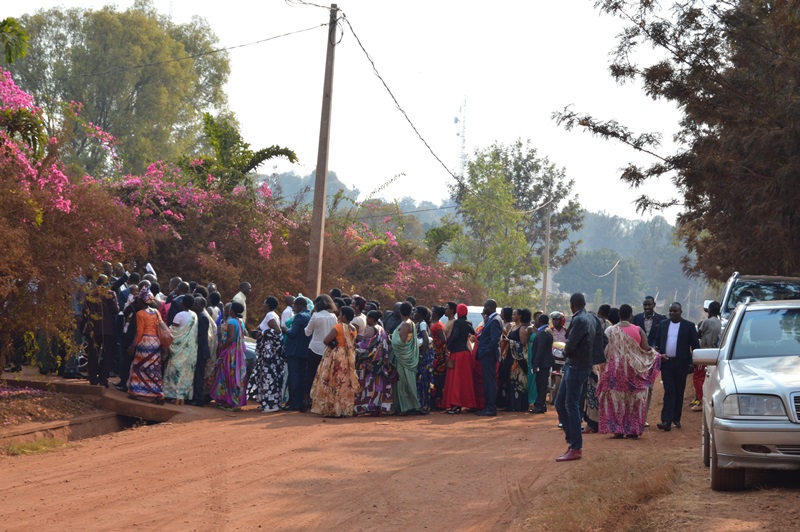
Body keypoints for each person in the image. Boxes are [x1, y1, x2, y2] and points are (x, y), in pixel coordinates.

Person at [597, 304, 661, 439]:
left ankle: (618, 430)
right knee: (634, 400)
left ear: (619, 315)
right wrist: (659, 356)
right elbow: (646, 349)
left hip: (614, 372)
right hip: (634, 371)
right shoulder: (638, 330)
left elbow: (603, 350)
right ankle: (633, 430)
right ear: (631, 316)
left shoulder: (610, 330)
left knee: (616, 399)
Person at [555, 293, 594, 462]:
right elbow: (602, 339)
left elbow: (571, 344)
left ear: (572, 305)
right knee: (560, 403)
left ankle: (576, 446)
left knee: (571, 405)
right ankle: (572, 442)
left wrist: (564, 352)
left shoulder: (579, 320)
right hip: (577, 364)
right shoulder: (590, 318)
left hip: (576, 365)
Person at [310, 306, 360, 417]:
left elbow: (326, 340)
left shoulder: (338, 327)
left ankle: (332, 408)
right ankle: (342, 409)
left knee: (332, 381)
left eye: (341, 314)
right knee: (344, 382)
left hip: (336, 356)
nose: (339, 316)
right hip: (347, 357)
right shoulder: (353, 329)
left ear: (345, 316)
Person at [656, 302, 699, 431]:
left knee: (679, 391)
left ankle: (676, 419)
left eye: (675, 311)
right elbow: (657, 341)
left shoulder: (689, 326)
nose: (672, 313)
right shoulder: (663, 325)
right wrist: (658, 352)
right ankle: (666, 421)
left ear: (681, 312)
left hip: (681, 364)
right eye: (671, 311)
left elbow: (695, 346)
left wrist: (693, 363)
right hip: (667, 363)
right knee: (669, 391)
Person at [126, 287, 165, 403]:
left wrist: (133, 346)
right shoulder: (156, 312)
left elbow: (139, 332)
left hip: (145, 342)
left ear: (141, 301)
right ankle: (157, 393)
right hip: (156, 342)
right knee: (153, 369)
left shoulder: (140, 314)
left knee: (138, 366)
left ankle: (136, 392)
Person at [81, 275, 120, 387]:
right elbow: (116, 310)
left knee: (93, 353)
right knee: (108, 354)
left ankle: (93, 378)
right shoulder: (111, 294)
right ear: (106, 283)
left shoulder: (90, 293)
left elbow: (85, 311)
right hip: (108, 329)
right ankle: (103, 378)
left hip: (93, 328)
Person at [248, 296, 285, 412]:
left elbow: (277, 331)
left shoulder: (270, 316)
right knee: (266, 377)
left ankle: (271, 405)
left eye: (264, 303)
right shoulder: (272, 315)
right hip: (267, 353)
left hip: (269, 354)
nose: (263, 305)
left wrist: (262, 334)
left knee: (269, 377)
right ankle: (266, 402)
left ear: (268, 305)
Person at [354, 310, 394, 415]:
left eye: (367, 318)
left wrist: (354, 347)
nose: (366, 320)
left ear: (371, 318)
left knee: (367, 385)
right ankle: (377, 406)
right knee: (378, 386)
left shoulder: (372, 329)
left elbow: (364, 346)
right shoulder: (381, 329)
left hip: (370, 363)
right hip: (380, 362)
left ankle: (367, 406)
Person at [210, 301, 248, 411]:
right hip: (238, 352)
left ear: (232, 311)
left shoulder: (231, 322)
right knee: (234, 375)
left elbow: (230, 338)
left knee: (227, 375)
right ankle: (234, 400)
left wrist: (221, 348)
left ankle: (229, 401)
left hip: (230, 352)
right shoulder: (240, 322)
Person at [304, 295, 338, 410]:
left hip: (314, 348)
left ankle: (306, 400)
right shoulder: (333, 316)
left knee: (310, 375)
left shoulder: (316, 316)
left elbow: (307, 333)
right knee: (325, 377)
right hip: (327, 349)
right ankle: (322, 402)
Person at [442, 304, 479, 414]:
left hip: (457, 354)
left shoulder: (457, 323)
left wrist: (448, 347)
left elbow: (455, 336)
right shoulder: (469, 323)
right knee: (465, 379)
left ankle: (455, 404)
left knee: (455, 379)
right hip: (466, 354)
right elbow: (474, 333)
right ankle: (466, 403)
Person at [163, 295, 198, 405]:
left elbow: (173, 333)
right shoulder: (194, 315)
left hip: (178, 349)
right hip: (189, 350)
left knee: (174, 371)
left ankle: (173, 395)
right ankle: (182, 397)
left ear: (182, 303)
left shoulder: (179, 315)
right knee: (184, 373)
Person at [391, 301, 423, 415]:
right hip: (406, 357)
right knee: (406, 382)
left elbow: (401, 342)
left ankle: (409, 407)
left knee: (404, 383)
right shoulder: (411, 323)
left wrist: (391, 339)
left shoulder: (406, 324)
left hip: (404, 358)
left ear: (400, 312)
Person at [283, 297, 311, 411]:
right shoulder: (309, 316)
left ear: (299, 306)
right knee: (302, 377)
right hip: (305, 351)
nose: (293, 307)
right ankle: (299, 402)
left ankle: (294, 403)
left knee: (293, 377)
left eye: (294, 305)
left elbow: (292, 333)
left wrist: (285, 329)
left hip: (294, 352)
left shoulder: (299, 317)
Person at [692, 301, 721, 411]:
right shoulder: (719, 322)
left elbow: (698, 335)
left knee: (698, 377)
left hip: (704, 352)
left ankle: (700, 401)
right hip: (715, 353)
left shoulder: (706, 322)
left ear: (709, 310)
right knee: (708, 378)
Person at [476, 299, 503, 416]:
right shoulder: (492, 319)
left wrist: (484, 350)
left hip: (489, 355)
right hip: (487, 354)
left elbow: (494, 340)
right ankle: (488, 406)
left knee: (490, 382)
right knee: (487, 381)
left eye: (485, 306)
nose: (484, 308)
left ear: (491, 307)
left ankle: (491, 408)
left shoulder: (495, 320)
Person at [504, 309, 530, 412]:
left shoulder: (522, 328)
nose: (512, 316)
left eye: (514, 315)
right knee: (511, 382)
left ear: (519, 316)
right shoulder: (512, 327)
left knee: (518, 382)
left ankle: (519, 405)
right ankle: (511, 404)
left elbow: (523, 343)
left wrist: (509, 341)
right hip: (510, 357)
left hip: (518, 360)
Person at [529, 314, 553, 414]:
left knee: (541, 385)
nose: (536, 322)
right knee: (542, 384)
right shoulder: (547, 331)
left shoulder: (543, 333)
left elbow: (540, 351)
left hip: (542, 363)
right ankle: (541, 405)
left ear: (541, 322)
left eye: (537, 320)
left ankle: (540, 406)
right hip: (545, 363)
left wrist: (535, 364)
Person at [190, 296, 211, 407]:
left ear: (202, 305)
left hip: (201, 351)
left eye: (196, 303)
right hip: (199, 350)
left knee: (198, 375)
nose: (194, 305)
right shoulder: (200, 315)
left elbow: (201, 337)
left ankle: (198, 400)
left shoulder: (203, 317)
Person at [414, 306, 435, 413]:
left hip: (425, 355)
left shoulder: (422, 324)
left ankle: (423, 406)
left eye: (416, 312)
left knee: (423, 379)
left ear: (420, 314)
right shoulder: (419, 324)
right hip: (424, 354)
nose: (414, 313)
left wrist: (422, 356)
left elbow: (425, 340)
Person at [496, 307, 515, 410]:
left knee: (504, 377)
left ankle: (505, 401)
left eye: (502, 313)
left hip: (505, 352)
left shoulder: (509, 325)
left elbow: (505, 339)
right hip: (501, 350)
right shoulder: (502, 323)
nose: (501, 314)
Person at [430, 306, 448, 409]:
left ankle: (439, 402)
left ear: (436, 314)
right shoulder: (433, 324)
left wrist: (435, 343)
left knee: (439, 380)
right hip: (434, 355)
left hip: (439, 356)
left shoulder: (438, 325)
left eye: (432, 312)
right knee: (434, 379)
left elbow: (444, 340)